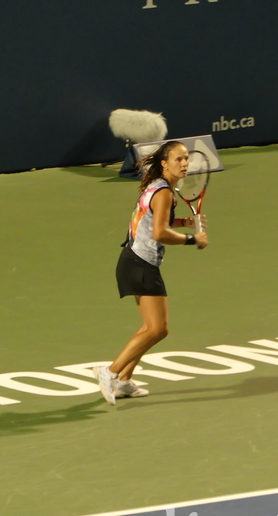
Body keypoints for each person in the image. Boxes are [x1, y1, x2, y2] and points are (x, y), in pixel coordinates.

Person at [93, 141, 209, 405]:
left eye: (186, 159)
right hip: (141, 265)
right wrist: (193, 239)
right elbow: (160, 233)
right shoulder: (165, 192)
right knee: (158, 329)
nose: (184, 164)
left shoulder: (156, 186)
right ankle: (109, 372)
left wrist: (184, 222)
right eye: (178, 159)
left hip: (131, 261)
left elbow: (154, 219)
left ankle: (123, 381)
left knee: (150, 327)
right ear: (164, 163)